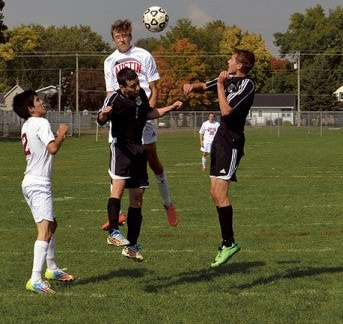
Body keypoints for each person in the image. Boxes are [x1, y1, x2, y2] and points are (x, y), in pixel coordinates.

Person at [97, 67, 182, 261]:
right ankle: (113, 232)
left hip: (138, 149)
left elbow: (149, 114)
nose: (137, 89)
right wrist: (103, 114)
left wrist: (170, 107)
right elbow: (101, 119)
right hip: (121, 149)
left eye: (137, 84)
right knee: (117, 190)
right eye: (132, 86)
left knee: (137, 198)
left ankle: (132, 246)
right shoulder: (114, 99)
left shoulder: (140, 94)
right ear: (121, 86)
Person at [101, 19, 179, 230]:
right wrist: (110, 114)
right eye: (118, 37)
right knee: (116, 166)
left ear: (130, 36)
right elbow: (110, 93)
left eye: (125, 36)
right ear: (113, 39)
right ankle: (118, 215)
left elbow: (154, 89)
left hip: (142, 115)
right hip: (121, 119)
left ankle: (168, 203)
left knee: (153, 161)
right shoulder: (109, 61)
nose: (122, 40)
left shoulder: (144, 55)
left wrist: (145, 113)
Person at [183, 49, 255, 267]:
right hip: (220, 140)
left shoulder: (246, 85)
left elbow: (225, 111)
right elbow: (204, 86)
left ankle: (228, 243)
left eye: (232, 59)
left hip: (232, 142)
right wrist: (190, 87)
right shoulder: (228, 78)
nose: (228, 61)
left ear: (240, 65)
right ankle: (227, 242)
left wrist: (222, 85)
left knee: (221, 193)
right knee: (214, 193)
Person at [12, 89, 74, 295]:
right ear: (31, 108)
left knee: (52, 225)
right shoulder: (41, 123)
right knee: (44, 231)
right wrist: (61, 134)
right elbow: (52, 149)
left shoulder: (28, 124)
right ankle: (35, 279)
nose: (42, 102)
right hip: (38, 183)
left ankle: (52, 269)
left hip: (31, 181)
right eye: (38, 100)